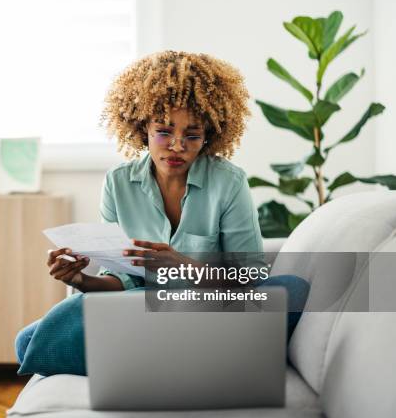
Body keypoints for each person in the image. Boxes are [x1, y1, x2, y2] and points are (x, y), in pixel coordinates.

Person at [16, 51, 308, 363]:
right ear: (144, 130)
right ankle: (190, 354)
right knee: (27, 342)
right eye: (164, 132)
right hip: (143, 307)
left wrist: (181, 264)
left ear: (209, 137)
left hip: (206, 308)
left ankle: (155, 354)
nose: (178, 146)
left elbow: (246, 278)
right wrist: (80, 281)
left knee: (291, 289)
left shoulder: (229, 182)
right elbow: (122, 280)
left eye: (192, 135)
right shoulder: (118, 183)